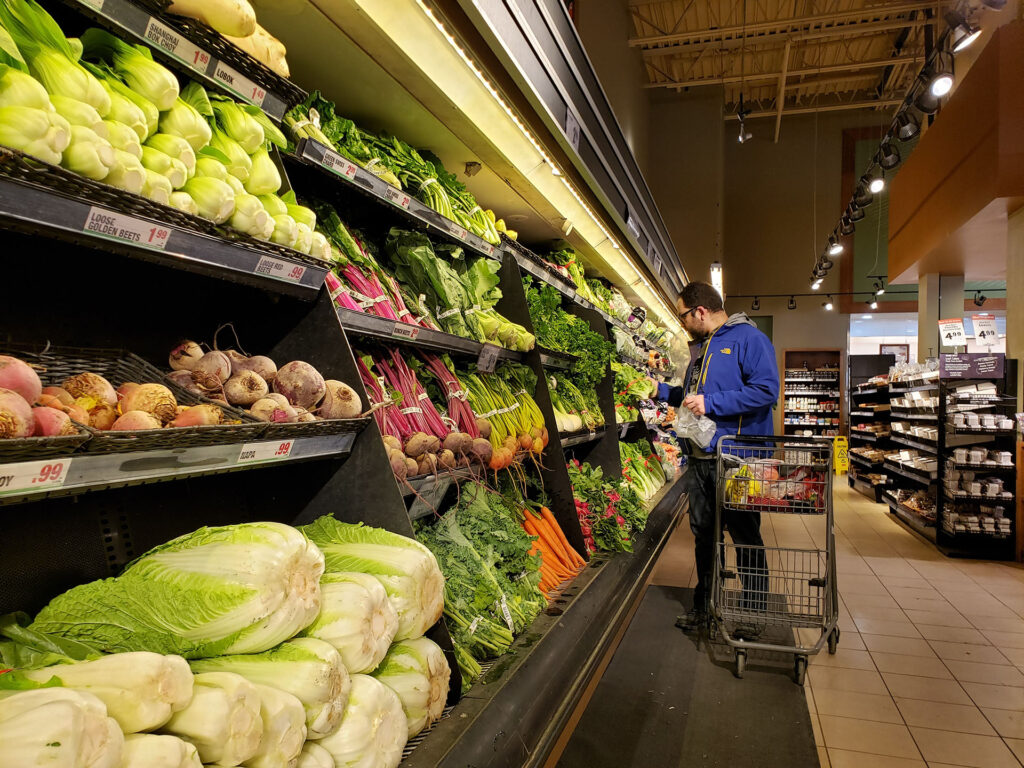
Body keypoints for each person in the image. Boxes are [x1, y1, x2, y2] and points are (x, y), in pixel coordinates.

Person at [653, 281, 778, 634]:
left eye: (682, 316)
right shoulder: (703, 348)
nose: (682, 324)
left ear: (700, 311)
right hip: (701, 458)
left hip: (737, 461)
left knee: (745, 536)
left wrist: (712, 404)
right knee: (704, 536)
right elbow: (692, 395)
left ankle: (753, 615)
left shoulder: (750, 339)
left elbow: (767, 390)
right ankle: (705, 606)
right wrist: (660, 390)